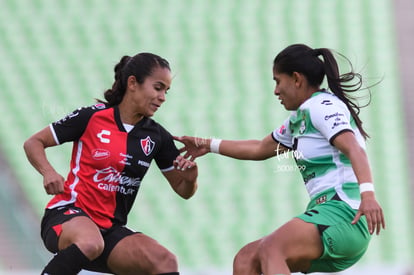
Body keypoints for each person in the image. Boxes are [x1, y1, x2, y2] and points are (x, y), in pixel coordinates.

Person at [174, 44, 385, 275]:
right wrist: (207, 144)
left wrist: (369, 196)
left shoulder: (322, 107)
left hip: (345, 213)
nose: (275, 91)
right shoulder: (299, 118)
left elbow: (354, 148)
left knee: (272, 249)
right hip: (326, 216)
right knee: (246, 259)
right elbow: (259, 148)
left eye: (277, 81)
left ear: (296, 79)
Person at [24, 53, 198, 275]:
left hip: (109, 232)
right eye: (158, 87)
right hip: (67, 214)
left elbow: (183, 191)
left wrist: (191, 180)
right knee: (89, 242)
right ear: (133, 83)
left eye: (166, 91)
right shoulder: (91, 117)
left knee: (165, 261)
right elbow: (33, 142)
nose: (163, 97)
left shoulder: (157, 136)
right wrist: (48, 172)